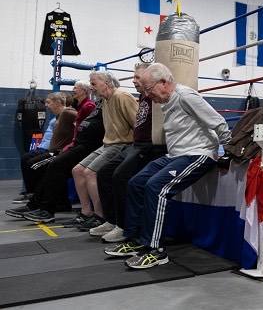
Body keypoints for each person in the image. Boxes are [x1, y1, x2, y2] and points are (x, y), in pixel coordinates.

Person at [104, 63, 231, 269]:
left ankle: (156, 251)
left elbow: (218, 122)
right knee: (135, 183)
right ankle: (136, 239)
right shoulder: (167, 100)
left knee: (157, 188)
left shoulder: (185, 96)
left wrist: (231, 152)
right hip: (175, 156)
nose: (147, 93)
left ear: (163, 82)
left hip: (197, 154)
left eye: (148, 88)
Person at [93, 64, 167, 242]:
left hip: (148, 146)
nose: (134, 81)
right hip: (136, 145)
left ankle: (124, 226)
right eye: (133, 77)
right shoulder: (142, 97)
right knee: (103, 173)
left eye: (138, 77)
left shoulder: (154, 97)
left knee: (121, 176)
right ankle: (112, 219)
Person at [7, 97, 105, 222]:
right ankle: (42, 203)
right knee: (45, 164)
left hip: (87, 146)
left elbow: (79, 126)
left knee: (48, 165)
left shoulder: (79, 109)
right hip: (74, 146)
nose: (46, 105)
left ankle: (43, 205)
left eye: (49, 102)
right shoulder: (96, 106)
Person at [68, 71, 138, 231]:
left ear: (105, 83)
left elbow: (137, 124)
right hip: (107, 144)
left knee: (90, 172)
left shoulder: (122, 96)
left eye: (93, 84)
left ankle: (101, 217)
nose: (91, 87)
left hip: (121, 144)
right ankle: (87, 212)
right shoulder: (104, 101)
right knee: (78, 170)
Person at [17, 92, 77, 203]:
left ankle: (38, 198)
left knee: (33, 164)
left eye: (49, 102)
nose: (46, 105)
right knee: (28, 159)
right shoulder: (58, 117)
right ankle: (38, 196)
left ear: (58, 102)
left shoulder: (67, 112)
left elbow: (79, 121)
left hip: (59, 152)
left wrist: (72, 143)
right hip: (51, 150)